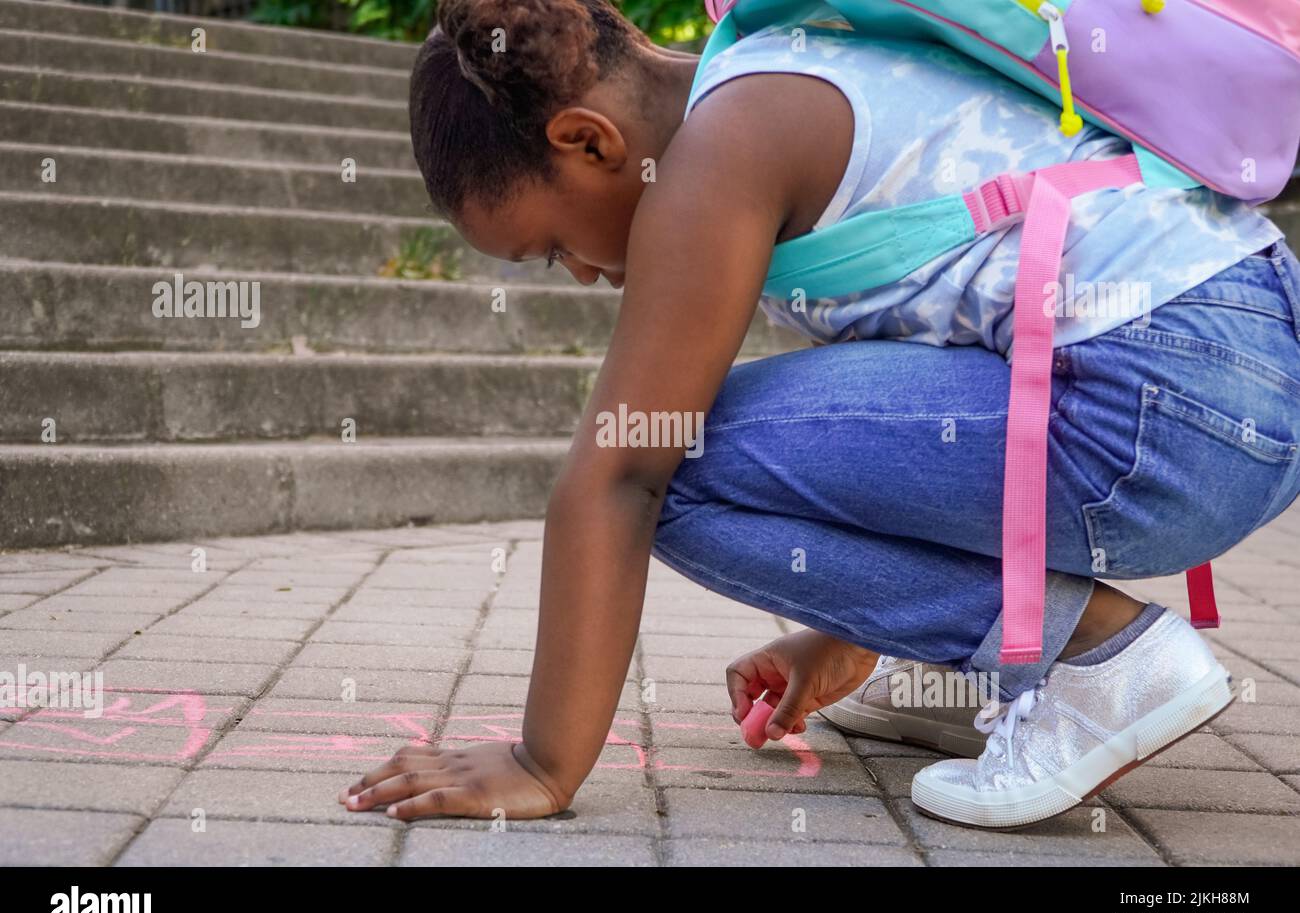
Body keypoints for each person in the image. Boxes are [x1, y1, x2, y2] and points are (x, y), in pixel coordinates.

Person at [339, 0, 1299, 828]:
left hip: (1158, 400)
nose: (584, 272)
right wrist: (840, 628)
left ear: (588, 141)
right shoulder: (783, 67)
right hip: (1235, 384)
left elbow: (619, 476)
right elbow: (908, 407)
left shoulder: (717, 156)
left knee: (676, 460)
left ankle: (1103, 661)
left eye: (552, 247)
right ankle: (1006, 668)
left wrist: (543, 763)